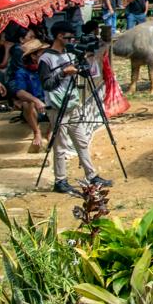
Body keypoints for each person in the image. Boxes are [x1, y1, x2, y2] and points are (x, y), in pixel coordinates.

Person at [36, 21, 110, 195]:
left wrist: (85, 62)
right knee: (60, 146)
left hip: (73, 104)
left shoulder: (70, 54)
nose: (72, 40)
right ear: (59, 36)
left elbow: (85, 73)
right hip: (56, 106)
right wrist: (63, 72)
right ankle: (60, 180)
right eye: (69, 37)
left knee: (82, 141)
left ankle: (92, 176)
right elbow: (46, 84)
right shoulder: (45, 58)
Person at [11, 39, 49, 151]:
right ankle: (37, 131)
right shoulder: (22, 72)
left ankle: (51, 131)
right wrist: (36, 100)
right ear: (33, 56)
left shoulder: (48, 68)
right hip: (34, 111)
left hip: (50, 108)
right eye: (42, 52)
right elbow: (19, 91)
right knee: (27, 103)